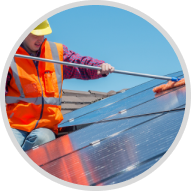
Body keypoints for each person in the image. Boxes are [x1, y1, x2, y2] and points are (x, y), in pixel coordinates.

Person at [5, 20, 114, 151]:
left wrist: (99, 67)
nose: (40, 39)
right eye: (35, 34)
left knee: (43, 140)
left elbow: (78, 63)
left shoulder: (56, 52)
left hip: (46, 127)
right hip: (16, 125)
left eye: (43, 34)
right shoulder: (12, 57)